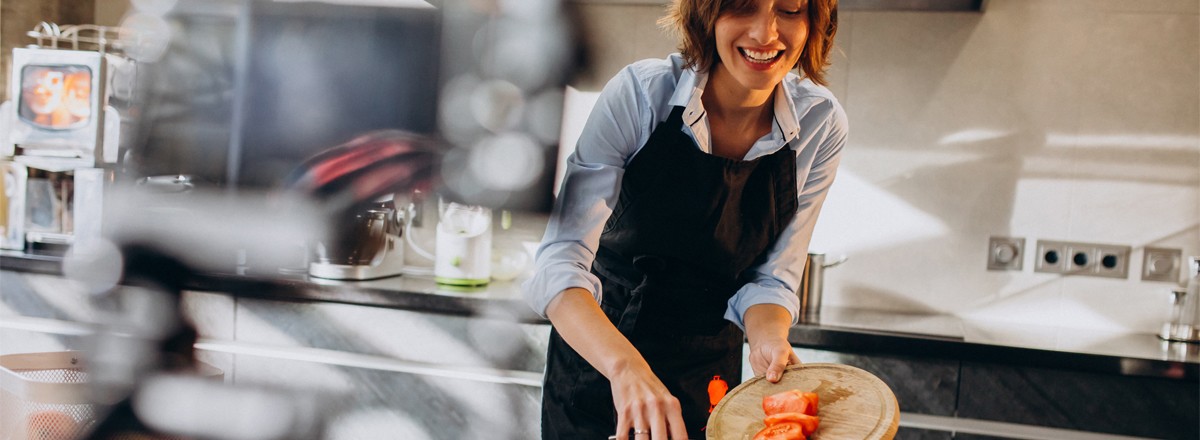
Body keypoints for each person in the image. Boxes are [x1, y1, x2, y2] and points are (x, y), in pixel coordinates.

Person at [523, 0, 844, 438]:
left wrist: (769, 341)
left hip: (709, 378)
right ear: (707, 11)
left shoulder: (820, 124)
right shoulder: (640, 95)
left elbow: (772, 279)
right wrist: (626, 368)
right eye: (743, 7)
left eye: (789, 9)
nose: (765, 33)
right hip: (601, 368)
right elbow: (560, 261)